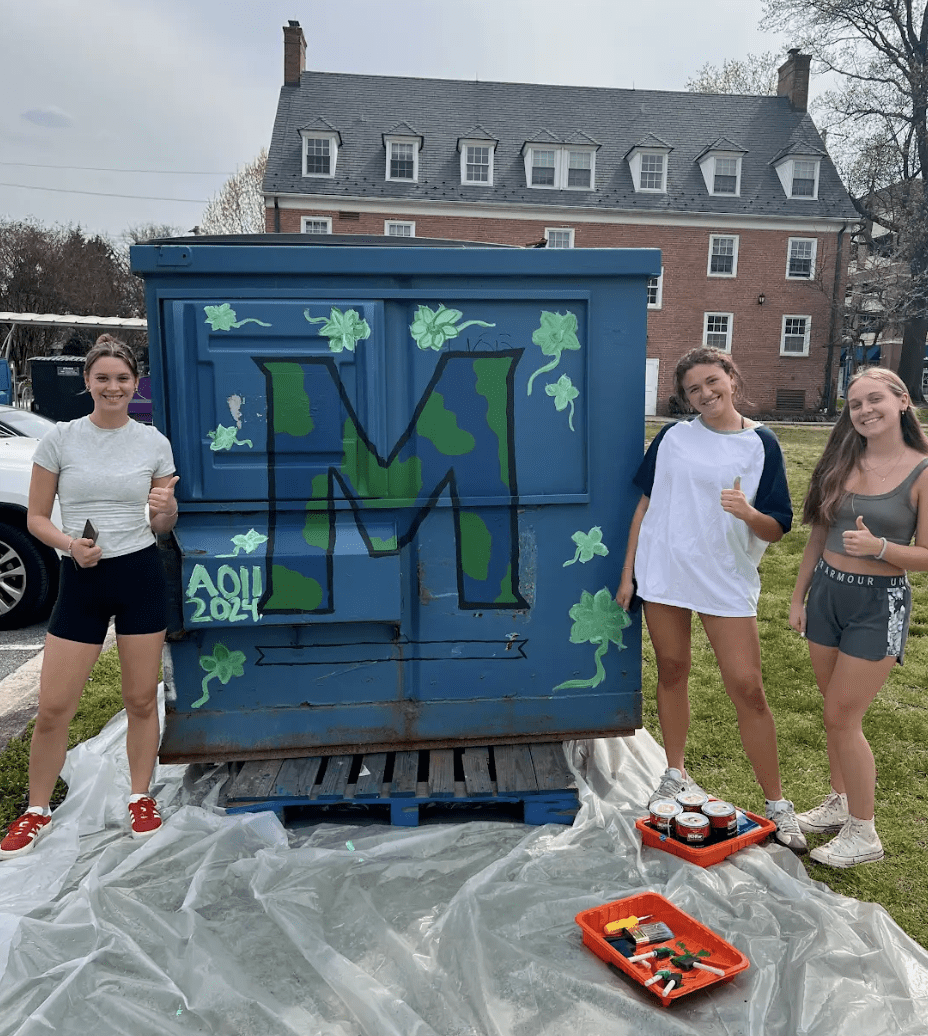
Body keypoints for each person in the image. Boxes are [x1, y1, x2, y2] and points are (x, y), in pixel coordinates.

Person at [617, 347, 806, 852]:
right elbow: (645, 504)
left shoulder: (761, 443)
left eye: (711, 382)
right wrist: (628, 574)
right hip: (665, 574)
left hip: (724, 580)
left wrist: (747, 512)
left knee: (747, 688)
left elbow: (778, 527)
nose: (704, 395)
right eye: (693, 390)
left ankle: (777, 804)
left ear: (731, 378)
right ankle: (675, 773)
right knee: (672, 670)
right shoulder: (673, 438)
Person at [0, 335, 178, 859]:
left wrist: (164, 508)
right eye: (102, 378)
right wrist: (69, 546)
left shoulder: (153, 443)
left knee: (142, 699)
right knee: (55, 706)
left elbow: (163, 525)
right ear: (87, 383)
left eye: (122, 378)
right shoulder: (60, 440)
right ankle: (36, 810)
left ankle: (140, 796)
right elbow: (35, 518)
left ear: (135, 383)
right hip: (82, 576)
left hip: (140, 574)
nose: (113, 387)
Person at [789, 367, 928, 868]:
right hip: (827, 594)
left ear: (902, 402)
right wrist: (799, 597)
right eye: (855, 404)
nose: (865, 411)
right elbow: (816, 536)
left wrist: (881, 547)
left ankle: (864, 834)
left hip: (879, 603)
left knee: (841, 717)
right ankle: (840, 803)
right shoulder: (842, 460)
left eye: (875, 400)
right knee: (835, 713)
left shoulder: (923, 470)